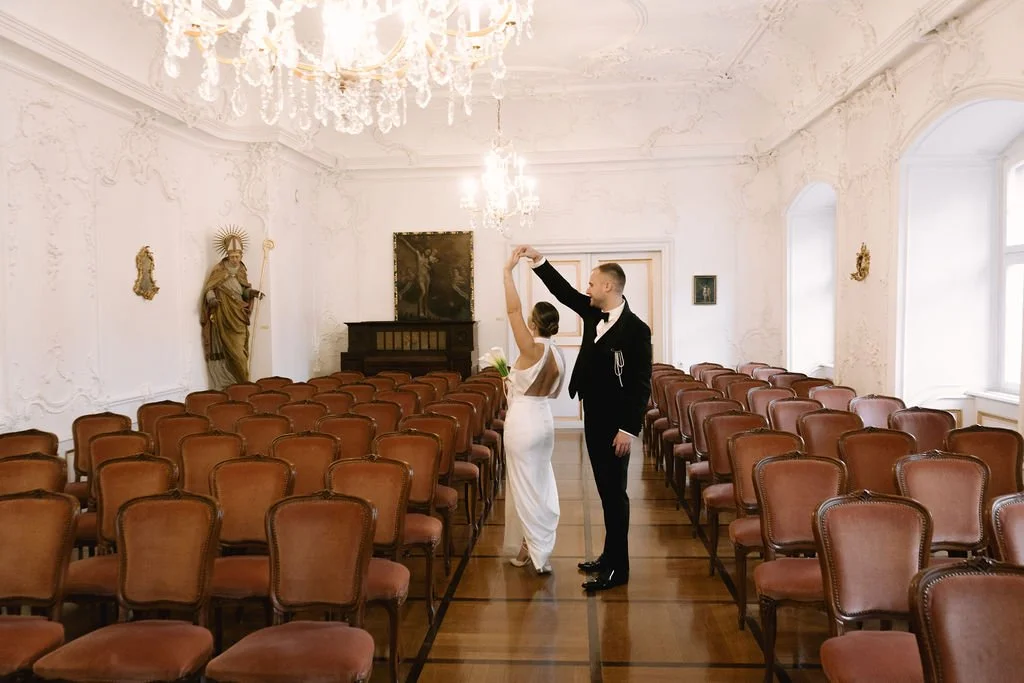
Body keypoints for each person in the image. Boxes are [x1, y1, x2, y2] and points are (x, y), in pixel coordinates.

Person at [521, 246, 652, 591]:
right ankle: (608, 557)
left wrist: (628, 429)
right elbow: (562, 292)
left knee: (615, 495)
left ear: (609, 287)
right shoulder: (594, 312)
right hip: (592, 417)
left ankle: (617, 569)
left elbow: (641, 385)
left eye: (592, 283)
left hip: (616, 426)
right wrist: (539, 262)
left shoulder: (637, 330)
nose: (587, 288)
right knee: (605, 492)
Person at [501, 247, 565, 575]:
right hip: (544, 421)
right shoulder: (559, 354)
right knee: (539, 482)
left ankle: (533, 551)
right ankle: (536, 548)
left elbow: (513, 310)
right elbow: (552, 392)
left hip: (523, 423)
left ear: (533, 323)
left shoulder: (531, 348)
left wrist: (507, 273)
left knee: (522, 486)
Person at [200, 230, 263, 389]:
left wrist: (252, 292)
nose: (235, 259)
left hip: (238, 315)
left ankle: (243, 384)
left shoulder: (241, 269)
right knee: (231, 351)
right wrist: (211, 299)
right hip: (224, 313)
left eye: (238, 256)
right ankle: (238, 384)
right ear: (227, 255)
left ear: (241, 255)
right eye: (233, 256)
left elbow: (243, 291)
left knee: (241, 353)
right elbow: (209, 288)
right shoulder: (218, 270)